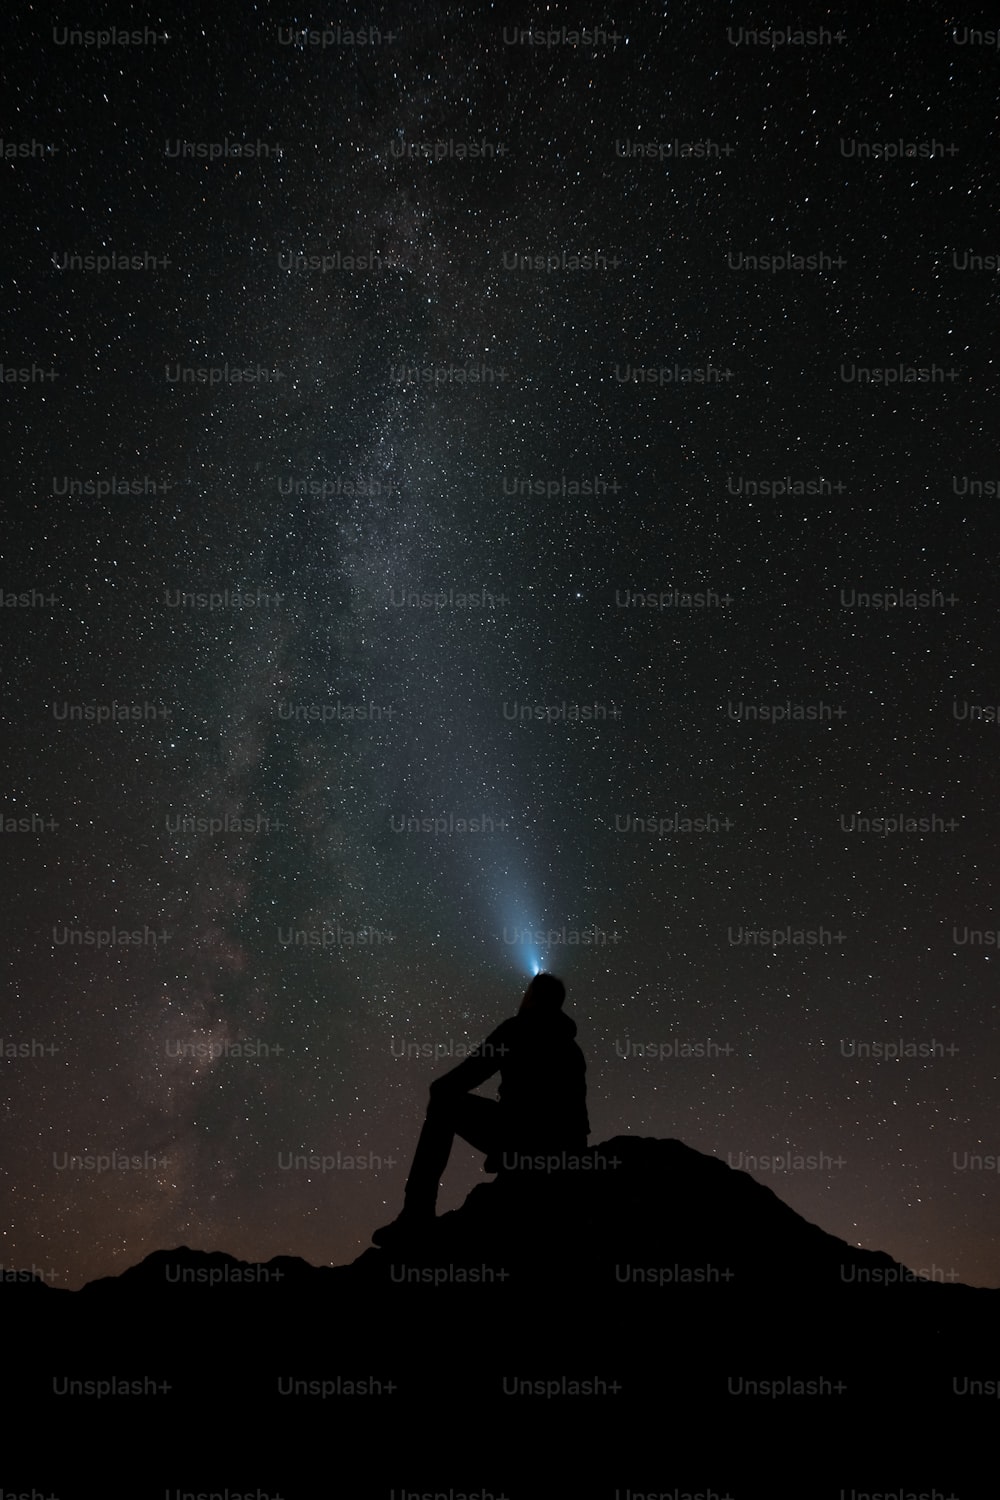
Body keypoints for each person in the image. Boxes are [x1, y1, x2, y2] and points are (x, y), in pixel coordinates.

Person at [372, 971, 589, 1245]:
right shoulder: (572, 1049)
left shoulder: (517, 1029)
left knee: (444, 1101)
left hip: (524, 1140)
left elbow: (462, 1078)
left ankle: (416, 1214)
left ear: (532, 997)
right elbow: (578, 1120)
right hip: (564, 1151)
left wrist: (439, 1089)